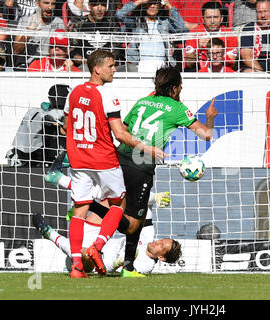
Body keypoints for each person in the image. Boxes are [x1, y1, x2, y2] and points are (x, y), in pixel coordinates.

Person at [62, 49, 166, 278]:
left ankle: (77, 266)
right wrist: (146, 148)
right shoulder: (107, 95)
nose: (114, 69)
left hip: (79, 160)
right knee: (118, 205)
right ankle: (97, 247)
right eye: (111, 66)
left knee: (79, 210)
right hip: (103, 159)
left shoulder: (74, 93)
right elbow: (119, 134)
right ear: (97, 69)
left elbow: (65, 127)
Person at [113, 65, 217, 276]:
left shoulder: (142, 101)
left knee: (132, 215)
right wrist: (210, 116)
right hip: (139, 166)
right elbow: (206, 135)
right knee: (133, 223)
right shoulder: (178, 109)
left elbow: (123, 128)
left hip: (117, 158)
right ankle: (125, 265)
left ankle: (127, 266)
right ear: (176, 88)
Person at [31, 190, 179, 276]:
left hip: (94, 264)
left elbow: (122, 273)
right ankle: (82, 210)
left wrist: (119, 262)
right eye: (161, 240)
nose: (157, 242)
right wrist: (155, 198)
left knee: (88, 254)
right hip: (97, 239)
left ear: (161, 257)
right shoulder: (148, 235)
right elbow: (142, 207)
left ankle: (48, 233)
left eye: (161, 246)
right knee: (115, 201)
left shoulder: (146, 266)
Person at [116, 0, 188, 73]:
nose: (152, 6)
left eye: (156, 3)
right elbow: (119, 15)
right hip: (140, 65)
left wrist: (170, 6)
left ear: (160, 5)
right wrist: (139, 1)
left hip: (162, 65)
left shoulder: (165, 22)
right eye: (149, 3)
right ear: (144, 5)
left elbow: (181, 29)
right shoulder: (137, 22)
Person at [69, 0, 124, 72]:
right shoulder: (80, 24)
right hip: (86, 66)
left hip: (108, 66)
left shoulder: (112, 24)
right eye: (96, 5)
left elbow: (116, 49)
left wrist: (104, 63)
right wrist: (89, 62)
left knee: (131, 68)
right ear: (89, 6)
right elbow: (72, 51)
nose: (100, 8)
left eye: (103, 5)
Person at [184, 1, 238, 72]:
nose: (212, 21)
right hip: (199, 73)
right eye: (209, 17)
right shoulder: (194, 34)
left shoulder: (229, 35)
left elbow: (231, 63)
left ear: (221, 18)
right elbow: (189, 64)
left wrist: (217, 50)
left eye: (215, 17)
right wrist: (197, 48)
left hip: (223, 73)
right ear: (203, 19)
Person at [12, 0, 65, 70]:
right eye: (46, 3)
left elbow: (64, 50)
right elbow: (16, 51)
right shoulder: (25, 21)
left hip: (50, 66)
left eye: (53, 4)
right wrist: (28, 33)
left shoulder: (59, 23)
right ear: (37, 3)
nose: (50, 7)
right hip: (27, 66)